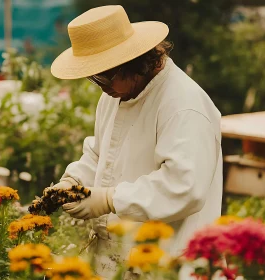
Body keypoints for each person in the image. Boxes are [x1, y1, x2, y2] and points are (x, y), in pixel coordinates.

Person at [46, 5, 223, 279]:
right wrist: (74, 181)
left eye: (104, 75)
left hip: (169, 263)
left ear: (136, 62)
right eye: (94, 76)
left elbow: (185, 186)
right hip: (118, 259)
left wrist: (108, 198)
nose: (99, 84)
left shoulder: (184, 105)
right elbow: (99, 154)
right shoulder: (115, 94)